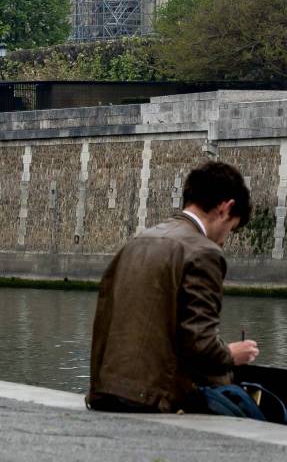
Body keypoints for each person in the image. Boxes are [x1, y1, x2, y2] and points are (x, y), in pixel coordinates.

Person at [87, 160, 261, 414]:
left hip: (105, 392)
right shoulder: (204, 252)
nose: (223, 240)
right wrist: (231, 354)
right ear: (226, 208)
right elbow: (200, 344)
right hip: (153, 399)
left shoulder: (137, 241)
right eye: (230, 229)